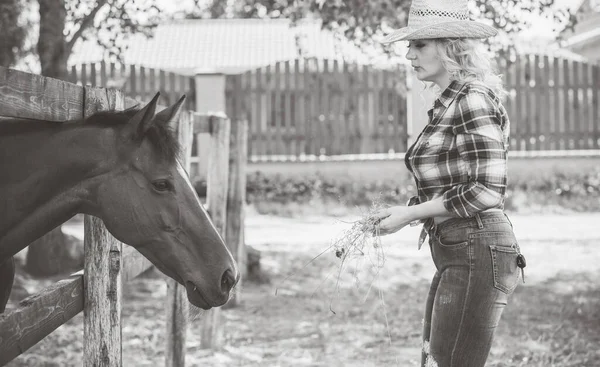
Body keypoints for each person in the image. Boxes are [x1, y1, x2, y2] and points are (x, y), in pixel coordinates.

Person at [373, 0, 525, 366]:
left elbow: (487, 189)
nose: (409, 54)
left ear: (449, 46)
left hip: (478, 244)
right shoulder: (449, 101)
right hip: (459, 246)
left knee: (452, 361)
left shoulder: (471, 98)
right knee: (441, 357)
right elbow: (455, 183)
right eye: (410, 45)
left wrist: (411, 216)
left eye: (419, 45)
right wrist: (406, 213)